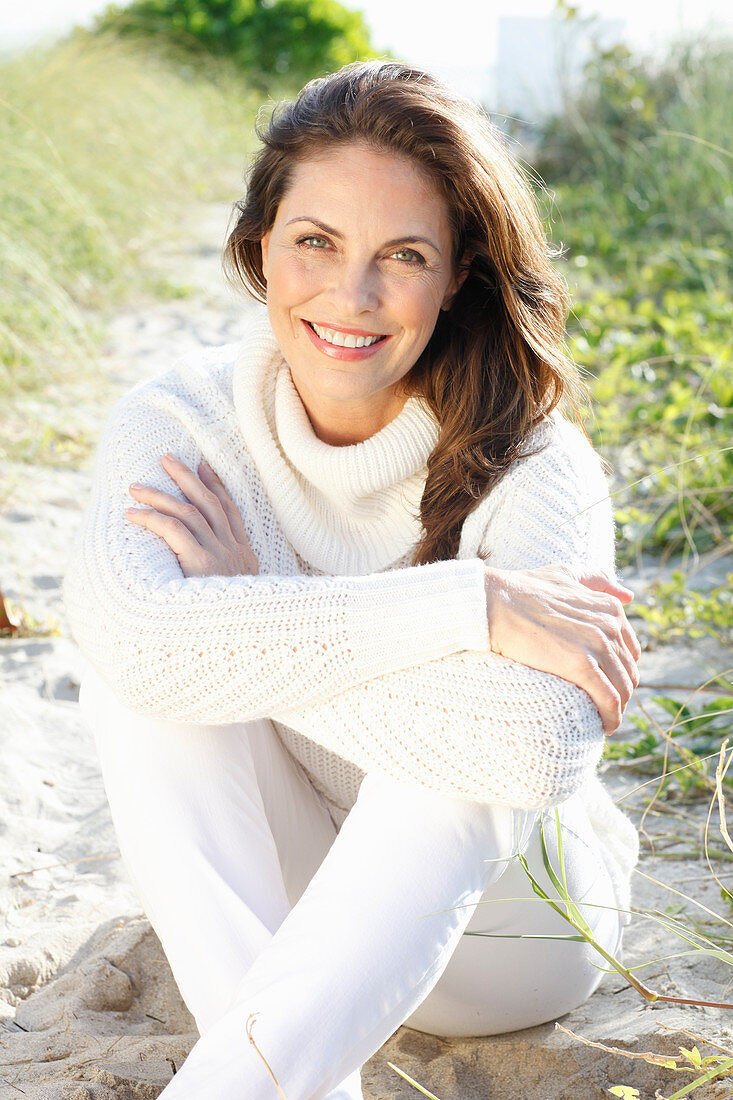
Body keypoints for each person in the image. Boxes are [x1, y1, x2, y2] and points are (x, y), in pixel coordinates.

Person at [64, 60, 641, 1100]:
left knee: (454, 755)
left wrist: (253, 611)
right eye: (315, 242)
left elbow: (530, 743)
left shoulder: (536, 463)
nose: (353, 294)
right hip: (298, 915)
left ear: (459, 272)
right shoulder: (185, 416)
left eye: (404, 254)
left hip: (514, 932)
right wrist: (466, 606)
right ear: (259, 248)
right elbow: (131, 638)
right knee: (143, 683)